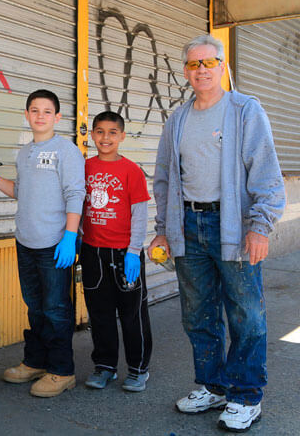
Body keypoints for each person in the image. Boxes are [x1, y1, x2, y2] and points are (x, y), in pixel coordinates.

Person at [149, 34, 285, 433]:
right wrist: (163, 230)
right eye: (193, 64)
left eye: (209, 63)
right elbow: (163, 180)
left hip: (234, 226)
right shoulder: (177, 120)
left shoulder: (245, 110)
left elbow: (265, 171)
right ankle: (214, 386)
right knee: (198, 314)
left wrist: (259, 226)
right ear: (186, 72)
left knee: (246, 314)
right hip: (188, 227)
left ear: (223, 66)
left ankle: (245, 396)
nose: (201, 70)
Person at [0, 89, 85, 397]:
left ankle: (62, 370)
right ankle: (36, 361)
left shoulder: (67, 150)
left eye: (46, 111)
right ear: (26, 115)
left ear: (57, 117)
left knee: (56, 308)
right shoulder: (24, 154)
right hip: (26, 242)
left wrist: (70, 236)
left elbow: (76, 193)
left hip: (55, 243)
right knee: (35, 307)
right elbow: (20, 191)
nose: (40, 116)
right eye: (34, 110)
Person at [80, 111, 152, 392]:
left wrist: (134, 251)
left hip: (125, 254)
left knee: (133, 314)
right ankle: (105, 367)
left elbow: (139, 213)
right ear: (92, 135)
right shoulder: (84, 167)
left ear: (122, 136)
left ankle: (138, 369)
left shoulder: (132, 171)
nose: (105, 137)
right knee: (100, 313)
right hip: (93, 252)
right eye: (99, 131)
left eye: (112, 132)